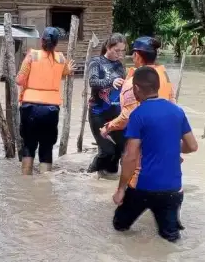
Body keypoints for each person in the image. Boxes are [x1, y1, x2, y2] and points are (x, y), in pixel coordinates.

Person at [112, 66, 198, 242]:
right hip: (173, 189)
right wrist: (169, 146)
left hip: (143, 187)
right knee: (170, 239)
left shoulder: (138, 115)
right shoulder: (177, 111)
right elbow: (192, 146)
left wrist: (120, 189)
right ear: (158, 86)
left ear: (136, 88)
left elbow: (130, 157)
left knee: (119, 227)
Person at [16, 27, 75, 175]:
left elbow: (19, 80)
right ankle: (45, 181)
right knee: (47, 146)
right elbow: (65, 72)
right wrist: (69, 70)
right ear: (56, 43)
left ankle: (26, 178)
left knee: (29, 145)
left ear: (42, 41)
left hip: (30, 107)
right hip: (51, 109)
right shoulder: (61, 59)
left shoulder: (32, 55)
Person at [101, 36, 174, 138]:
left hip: (145, 135)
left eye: (133, 54)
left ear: (137, 55)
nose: (132, 57)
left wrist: (108, 127)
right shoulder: (164, 74)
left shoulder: (134, 82)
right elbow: (172, 101)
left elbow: (127, 117)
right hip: (166, 131)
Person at [86, 33, 128, 176]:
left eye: (122, 51)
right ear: (108, 47)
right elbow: (93, 82)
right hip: (98, 114)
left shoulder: (120, 66)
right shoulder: (96, 62)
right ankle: (89, 174)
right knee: (107, 151)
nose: (120, 54)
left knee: (120, 149)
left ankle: (107, 180)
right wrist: (111, 82)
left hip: (116, 114)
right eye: (117, 50)